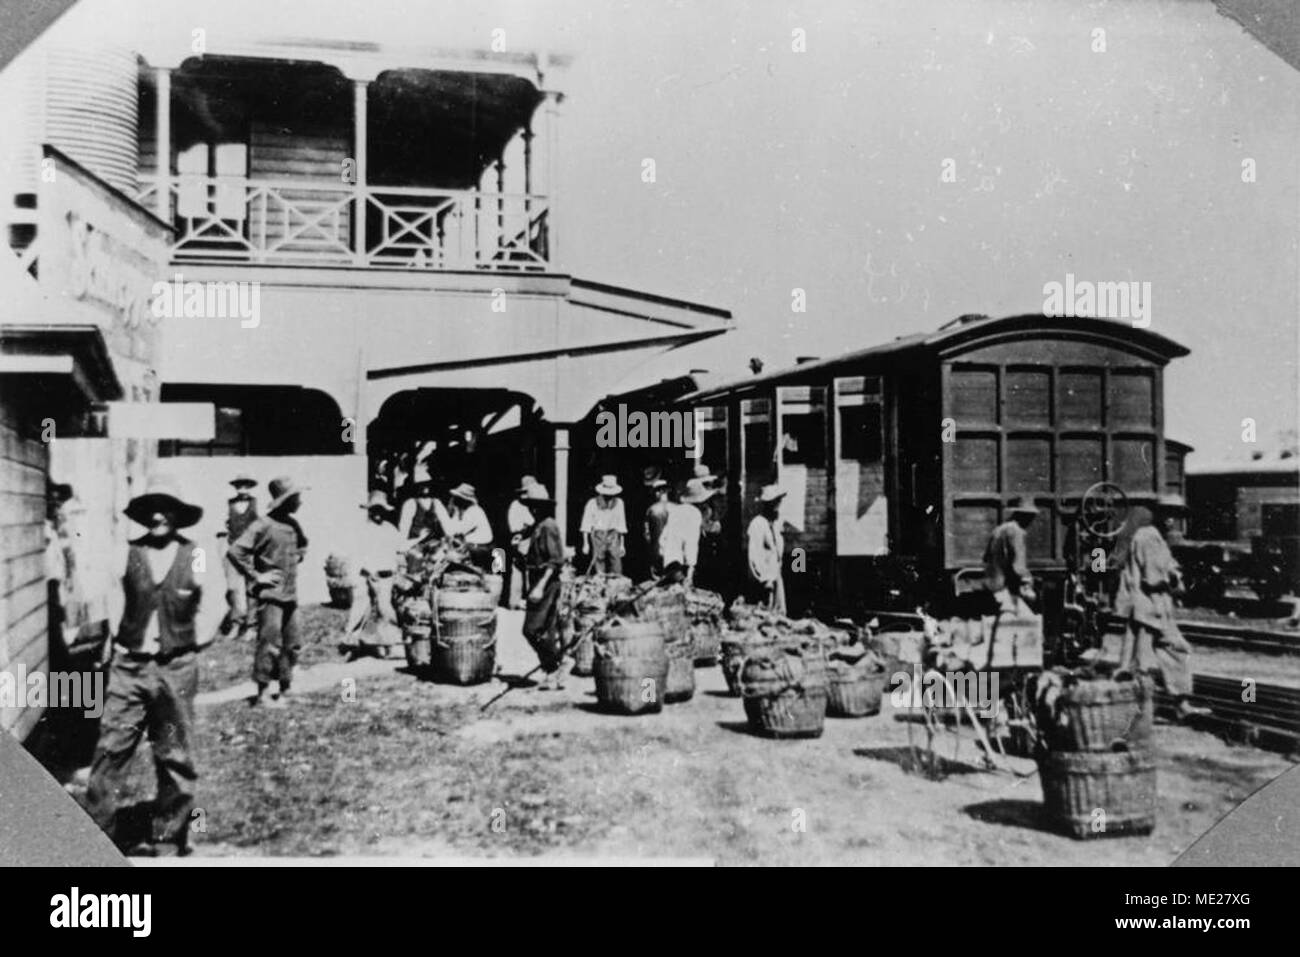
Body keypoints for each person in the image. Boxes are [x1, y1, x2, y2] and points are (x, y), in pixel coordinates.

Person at [86, 476, 209, 855]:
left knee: (174, 754)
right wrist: (120, 644)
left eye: (166, 506)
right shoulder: (126, 551)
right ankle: (94, 839)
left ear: (177, 514)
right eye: (151, 507)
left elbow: (215, 601)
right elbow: (109, 597)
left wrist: (190, 642)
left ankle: (168, 837)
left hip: (176, 668)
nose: (158, 514)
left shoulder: (197, 553)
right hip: (130, 668)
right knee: (111, 750)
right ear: (143, 514)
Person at [1113, 495, 1211, 722]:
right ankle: (1135, 712)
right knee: (1142, 662)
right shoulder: (1148, 537)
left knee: (1175, 650)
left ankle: (1180, 704)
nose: (1171, 520)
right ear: (1158, 514)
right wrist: (1174, 579)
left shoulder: (1157, 538)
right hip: (1147, 607)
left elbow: (1166, 568)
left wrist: (1173, 573)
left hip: (1157, 607)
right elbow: (1152, 578)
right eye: (1167, 514)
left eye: (1174, 516)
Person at [227, 476, 308, 708]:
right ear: (286, 500)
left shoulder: (293, 525)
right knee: (269, 643)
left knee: (292, 643)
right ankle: (263, 693)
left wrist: (298, 555)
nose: (300, 502)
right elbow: (236, 550)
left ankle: (286, 687)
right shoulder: (262, 525)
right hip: (270, 596)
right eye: (296, 498)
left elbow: (303, 544)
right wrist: (257, 576)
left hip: (291, 595)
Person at [520, 483, 568, 689]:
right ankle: (553, 672)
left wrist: (539, 586)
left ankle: (555, 665)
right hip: (538, 578)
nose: (533, 509)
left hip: (546, 582)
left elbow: (556, 560)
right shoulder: (538, 526)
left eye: (536, 505)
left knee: (531, 629)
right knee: (545, 630)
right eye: (531, 505)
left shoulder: (549, 526)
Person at [344, 490, 405, 646]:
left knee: (385, 607)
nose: (378, 514)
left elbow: (398, 551)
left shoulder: (391, 529)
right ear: (370, 511)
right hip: (367, 574)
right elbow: (357, 555)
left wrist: (399, 570)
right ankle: (351, 638)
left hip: (386, 575)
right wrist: (366, 572)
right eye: (375, 510)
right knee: (361, 604)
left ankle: (390, 642)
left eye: (381, 510)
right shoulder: (363, 530)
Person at [218, 474, 259, 640]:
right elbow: (224, 526)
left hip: (251, 551)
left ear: (250, 487)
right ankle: (235, 623)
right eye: (240, 486)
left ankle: (251, 626)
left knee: (252, 588)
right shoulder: (229, 504)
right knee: (232, 588)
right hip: (233, 549)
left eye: (246, 486)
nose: (243, 489)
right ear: (235, 488)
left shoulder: (256, 504)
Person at [983, 498, 1039, 615]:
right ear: (1025, 516)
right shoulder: (1016, 532)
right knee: (1025, 621)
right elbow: (1018, 566)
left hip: (992, 583)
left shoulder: (999, 529)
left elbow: (986, 557)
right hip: (1004, 588)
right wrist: (1027, 583)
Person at [660, 477, 713, 585]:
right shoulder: (694, 514)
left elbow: (663, 538)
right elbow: (691, 545)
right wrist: (690, 572)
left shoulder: (676, 510)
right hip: (681, 567)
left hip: (669, 562)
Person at [746, 484, 788, 613]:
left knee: (779, 617)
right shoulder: (758, 524)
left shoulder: (774, 525)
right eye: (775, 502)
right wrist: (764, 579)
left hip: (775, 576)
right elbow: (754, 555)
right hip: (764, 581)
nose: (778, 505)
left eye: (779, 501)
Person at [433, 482, 494, 569]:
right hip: (471, 545)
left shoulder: (474, 511)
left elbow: (453, 531)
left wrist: (442, 513)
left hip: (481, 547)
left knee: (451, 556)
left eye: (456, 498)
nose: (454, 500)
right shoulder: (462, 511)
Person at [580, 475, 627, 574]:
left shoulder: (619, 503)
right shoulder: (592, 503)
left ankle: (616, 586)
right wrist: (585, 544)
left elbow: (621, 524)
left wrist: (622, 545)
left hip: (613, 535)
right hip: (598, 535)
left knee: (616, 562)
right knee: (599, 561)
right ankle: (600, 583)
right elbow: (586, 524)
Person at [506, 475, 540, 608]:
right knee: (524, 570)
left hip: (525, 538)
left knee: (521, 570)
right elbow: (528, 524)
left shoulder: (526, 504)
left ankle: (518, 601)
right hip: (522, 539)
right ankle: (519, 601)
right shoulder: (519, 505)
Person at [643, 478, 672, 576]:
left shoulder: (651, 510)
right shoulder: (676, 508)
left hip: (657, 549)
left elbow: (647, 535)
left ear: (660, 492)